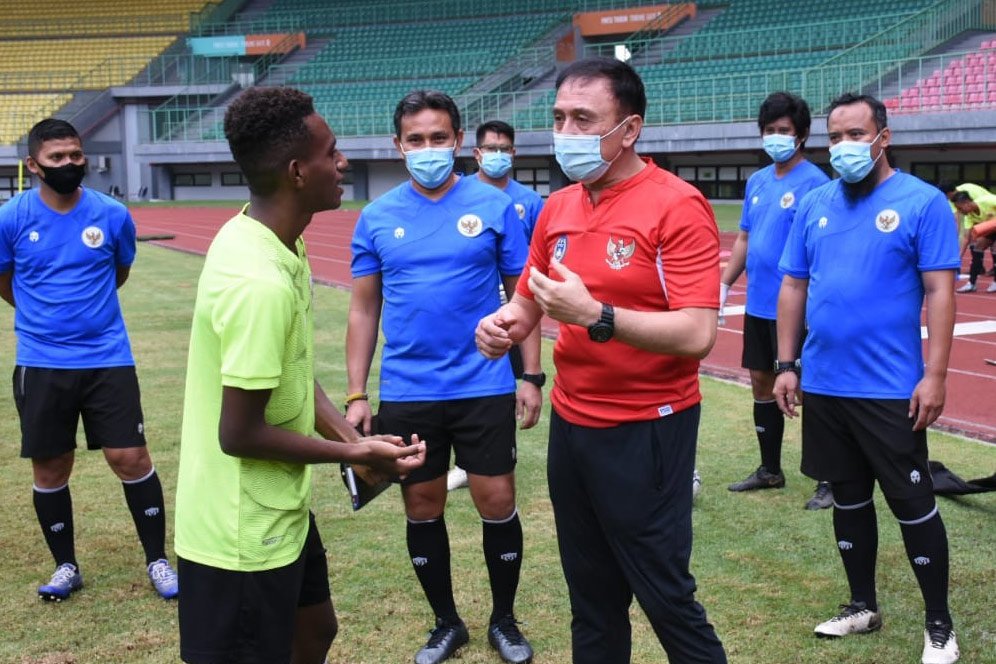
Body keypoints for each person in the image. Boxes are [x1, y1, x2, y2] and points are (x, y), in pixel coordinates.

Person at [476, 57, 727, 664]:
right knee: (590, 598)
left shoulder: (678, 205)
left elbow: (698, 333)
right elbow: (533, 298)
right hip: (574, 427)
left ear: (630, 129)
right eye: (560, 117)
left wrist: (598, 316)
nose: (567, 132)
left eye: (584, 119)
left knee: (665, 594)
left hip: (648, 428)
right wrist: (505, 324)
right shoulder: (557, 206)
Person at [173, 87, 426, 664]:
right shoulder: (257, 282)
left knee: (315, 631)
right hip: (237, 535)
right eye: (331, 153)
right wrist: (355, 458)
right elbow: (238, 433)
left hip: (277, 511)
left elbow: (289, 373)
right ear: (295, 171)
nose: (344, 164)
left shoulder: (277, 238)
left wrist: (354, 437)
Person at [345, 91, 542, 664]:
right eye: (416, 140)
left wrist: (531, 374)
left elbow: (522, 296)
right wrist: (357, 394)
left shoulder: (495, 206)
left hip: (484, 384)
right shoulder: (377, 216)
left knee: (497, 498)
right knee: (422, 505)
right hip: (408, 391)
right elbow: (363, 309)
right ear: (398, 145)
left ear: (457, 142)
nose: (427, 149)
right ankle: (445, 623)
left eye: (438, 138)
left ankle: (503, 621)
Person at [773, 92, 961, 664]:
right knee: (849, 499)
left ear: (884, 136)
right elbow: (794, 286)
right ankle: (862, 606)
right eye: (836, 137)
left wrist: (935, 376)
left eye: (856, 134)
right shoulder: (815, 203)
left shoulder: (923, 203)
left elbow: (940, 292)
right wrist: (786, 364)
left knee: (913, 503)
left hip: (889, 389)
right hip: (826, 384)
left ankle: (939, 626)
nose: (845, 146)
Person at [0, 118, 178, 602]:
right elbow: (5, 279)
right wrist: (43, 316)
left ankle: (158, 561)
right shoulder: (11, 218)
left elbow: (119, 271)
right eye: (57, 158)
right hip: (41, 361)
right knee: (51, 466)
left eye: (75, 155)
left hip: (107, 359)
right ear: (34, 165)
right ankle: (65, 566)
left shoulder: (113, 215)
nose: (70, 165)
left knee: (131, 457)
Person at [721, 92, 833, 509]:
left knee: (810, 390)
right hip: (757, 305)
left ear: (801, 135)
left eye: (783, 131)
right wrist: (725, 284)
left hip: (796, 310)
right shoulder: (758, 181)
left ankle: (830, 478)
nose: (775, 138)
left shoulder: (818, 185)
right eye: (769, 131)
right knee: (761, 384)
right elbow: (745, 238)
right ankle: (770, 469)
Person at [448, 119, 546, 493]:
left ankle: (503, 451)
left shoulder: (529, 201)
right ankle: (463, 461)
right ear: (476, 153)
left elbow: (538, 256)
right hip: (470, 307)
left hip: (513, 309)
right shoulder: (460, 192)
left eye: (505, 149)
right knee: (467, 381)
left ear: (515, 153)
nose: (499, 155)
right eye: (491, 149)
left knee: (505, 383)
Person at [937, 181, 993, 278]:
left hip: (989, 210)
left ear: (949, 194)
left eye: (945, 196)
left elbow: (983, 203)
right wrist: (956, 252)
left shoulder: (969, 191)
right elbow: (956, 220)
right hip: (980, 216)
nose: (946, 199)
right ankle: (978, 267)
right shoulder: (955, 202)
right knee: (975, 239)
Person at [951, 190, 996, 293]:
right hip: (991, 227)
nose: (960, 212)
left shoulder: (988, 201)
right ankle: (972, 283)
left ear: (966, 203)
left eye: (960, 208)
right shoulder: (969, 216)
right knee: (977, 246)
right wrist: (959, 257)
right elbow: (966, 238)